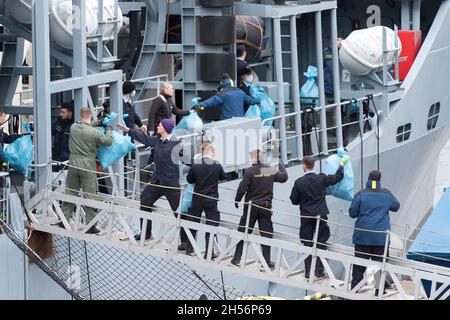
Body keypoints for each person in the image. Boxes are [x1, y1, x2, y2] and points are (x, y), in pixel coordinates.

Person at [117, 118, 188, 244]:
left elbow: (187, 159)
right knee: (144, 200)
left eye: (159, 125)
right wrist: (128, 130)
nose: (157, 127)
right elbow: (143, 138)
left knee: (178, 211)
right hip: (157, 181)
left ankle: (185, 241)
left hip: (171, 184)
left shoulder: (176, 144)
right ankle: (146, 233)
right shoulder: (157, 141)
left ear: (165, 128)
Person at [289, 155, 345, 278]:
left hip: (306, 216)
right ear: (313, 165)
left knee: (307, 243)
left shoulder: (299, 182)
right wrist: (341, 165)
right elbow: (338, 177)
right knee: (321, 242)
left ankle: (308, 272)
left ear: (304, 165)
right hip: (320, 215)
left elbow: (294, 200)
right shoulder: (322, 178)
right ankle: (319, 271)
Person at [231, 150, 288, 269]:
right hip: (265, 207)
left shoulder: (250, 171)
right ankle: (266, 261)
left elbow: (242, 188)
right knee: (266, 234)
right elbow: (283, 178)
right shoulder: (269, 170)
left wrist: (237, 200)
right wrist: (282, 168)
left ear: (253, 159)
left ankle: (236, 258)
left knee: (243, 232)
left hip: (251, 207)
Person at [60, 107, 113, 234]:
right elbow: (108, 141)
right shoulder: (94, 133)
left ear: (80, 115)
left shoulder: (74, 127)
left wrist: (97, 123)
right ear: (90, 116)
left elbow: (85, 125)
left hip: (73, 164)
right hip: (88, 165)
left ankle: (64, 220)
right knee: (90, 195)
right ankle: (91, 225)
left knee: (70, 192)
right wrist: (107, 128)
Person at [349, 170, 400, 295]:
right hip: (380, 238)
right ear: (379, 180)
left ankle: (354, 289)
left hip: (362, 237)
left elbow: (352, 213)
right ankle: (379, 291)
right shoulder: (386, 194)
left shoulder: (360, 194)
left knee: (359, 265)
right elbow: (396, 206)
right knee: (380, 266)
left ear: (368, 179)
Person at [185, 142, 227, 259]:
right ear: (211, 152)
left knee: (193, 222)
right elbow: (224, 177)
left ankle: (189, 248)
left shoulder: (195, 165)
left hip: (197, 198)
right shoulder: (216, 165)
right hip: (211, 199)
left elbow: (189, 180)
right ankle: (209, 252)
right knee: (211, 225)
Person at [193, 74, 259, 120]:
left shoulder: (223, 94)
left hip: (227, 121)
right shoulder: (240, 92)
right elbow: (251, 101)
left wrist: (199, 105)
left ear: (222, 83)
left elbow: (210, 102)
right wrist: (259, 101)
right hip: (240, 121)